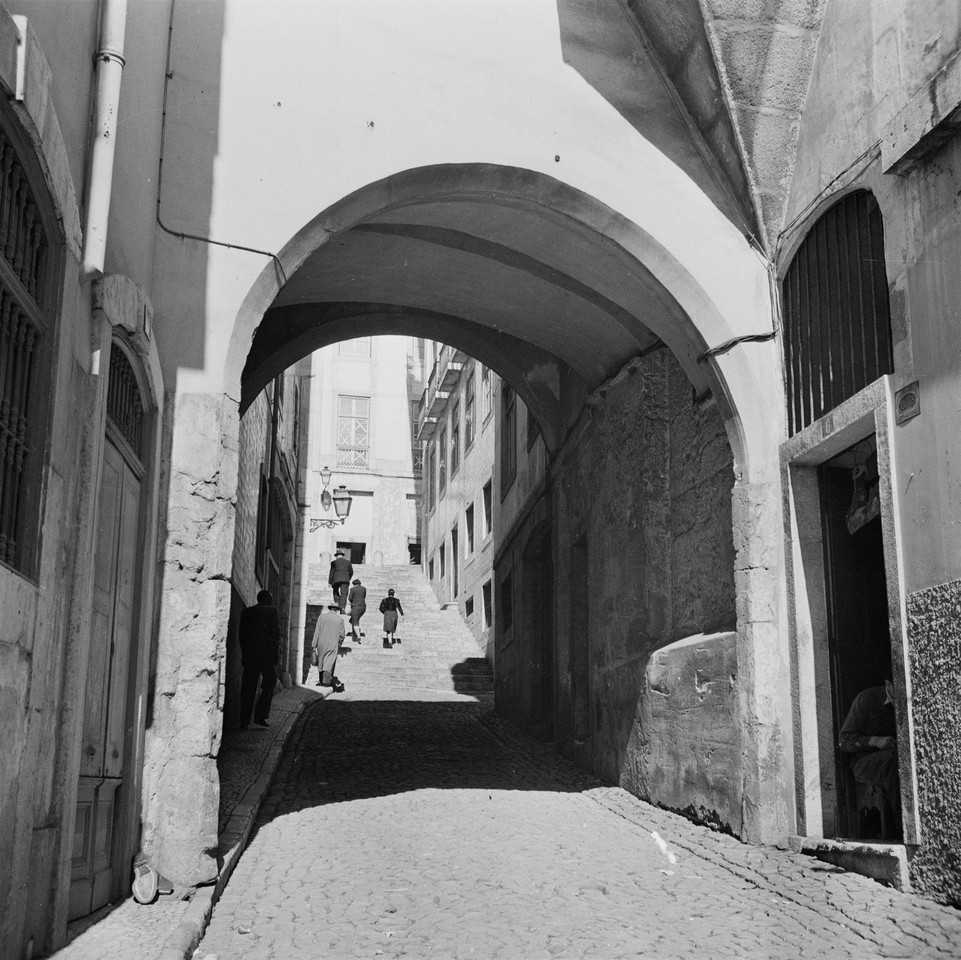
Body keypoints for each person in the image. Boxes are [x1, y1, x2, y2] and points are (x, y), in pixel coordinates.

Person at [839, 679, 900, 838]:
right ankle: (902, 830)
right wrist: (876, 741)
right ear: (888, 685)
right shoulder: (866, 698)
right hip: (863, 764)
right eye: (899, 687)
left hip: (891, 761)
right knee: (892, 761)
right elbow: (844, 741)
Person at [238, 589, 281, 729]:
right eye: (270, 598)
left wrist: (245, 654)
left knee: (248, 687)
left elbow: (242, 636)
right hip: (266, 656)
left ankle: (244, 721)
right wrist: (275, 654)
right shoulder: (272, 611)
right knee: (270, 682)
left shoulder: (247, 612)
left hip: (250, 655)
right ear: (267, 599)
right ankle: (260, 715)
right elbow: (275, 635)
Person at [312, 603, 346, 692]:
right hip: (332, 643)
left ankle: (321, 680)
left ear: (330, 609)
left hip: (321, 643)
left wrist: (314, 645)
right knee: (329, 662)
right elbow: (342, 635)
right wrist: (339, 644)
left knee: (321, 661)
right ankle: (326, 682)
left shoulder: (321, 617)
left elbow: (317, 631)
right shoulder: (340, 620)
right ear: (337, 610)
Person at [328, 549, 353, 613]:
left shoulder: (334, 562)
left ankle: (337, 605)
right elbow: (351, 572)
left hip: (336, 580)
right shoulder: (348, 562)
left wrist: (329, 582)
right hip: (345, 579)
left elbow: (331, 572)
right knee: (344, 594)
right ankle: (342, 609)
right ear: (342, 555)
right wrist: (348, 578)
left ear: (336, 556)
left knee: (335, 592)